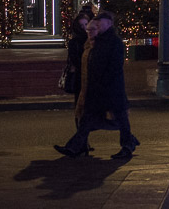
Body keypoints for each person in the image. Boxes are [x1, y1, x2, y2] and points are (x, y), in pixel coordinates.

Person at [57, 11, 137, 160]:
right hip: (97, 88)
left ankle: (128, 144)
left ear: (108, 24)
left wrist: (102, 82)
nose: (97, 28)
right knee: (88, 119)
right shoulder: (98, 41)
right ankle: (74, 147)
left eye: (100, 25)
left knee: (120, 119)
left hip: (111, 89)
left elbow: (114, 67)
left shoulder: (114, 42)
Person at [53, 13, 91, 157]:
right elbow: (75, 60)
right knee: (80, 111)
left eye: (85, 25)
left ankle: (80, 144)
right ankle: (81, 144)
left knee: (89, 113)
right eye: (81, 25)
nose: (84, 28)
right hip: (80, 81)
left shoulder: (93, 39)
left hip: (91, 80)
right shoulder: (75, 42)